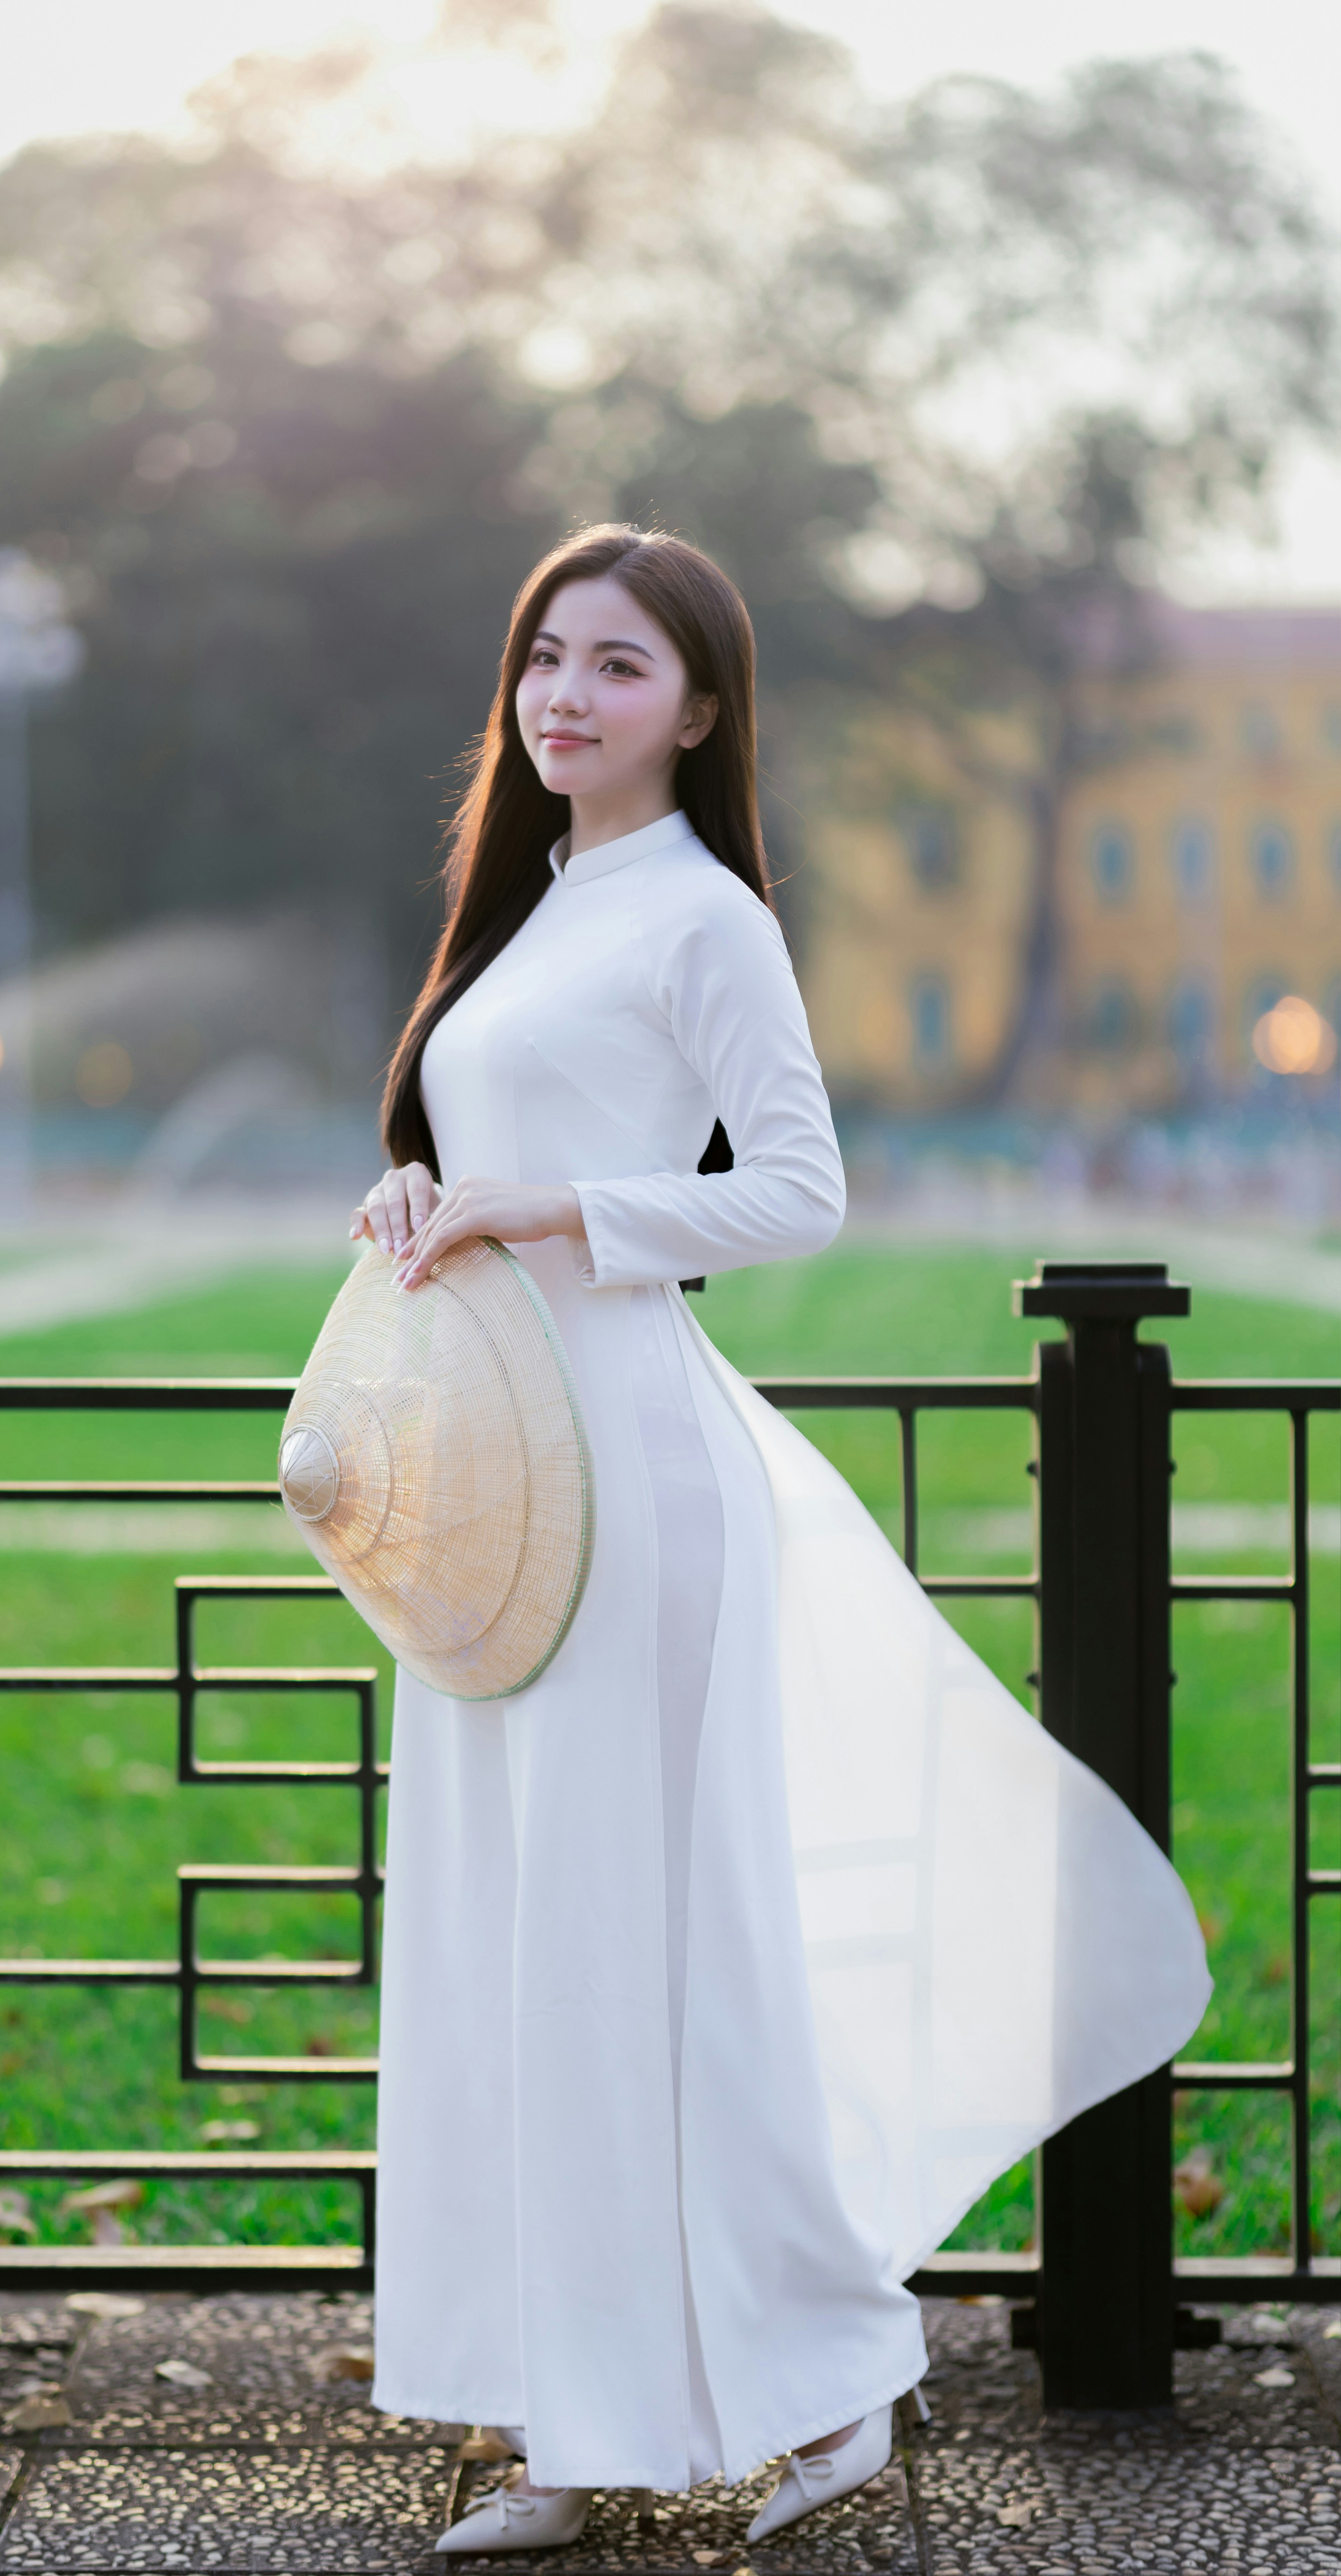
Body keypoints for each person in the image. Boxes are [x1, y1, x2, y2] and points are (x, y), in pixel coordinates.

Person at [349, 525, 1208, 2552]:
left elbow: (801, 1192)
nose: (566, 695)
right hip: (498, 1472)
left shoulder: (704, 915)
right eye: (545, 657)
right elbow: (477, 1165)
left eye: (619, 667)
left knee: (653, 1946)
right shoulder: (537, 904)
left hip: (631, 1480)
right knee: (519, 1951)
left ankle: (818, 2381)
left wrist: (547, 1208)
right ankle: (575, 2408)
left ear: (704, 708)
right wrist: (418, 1204)